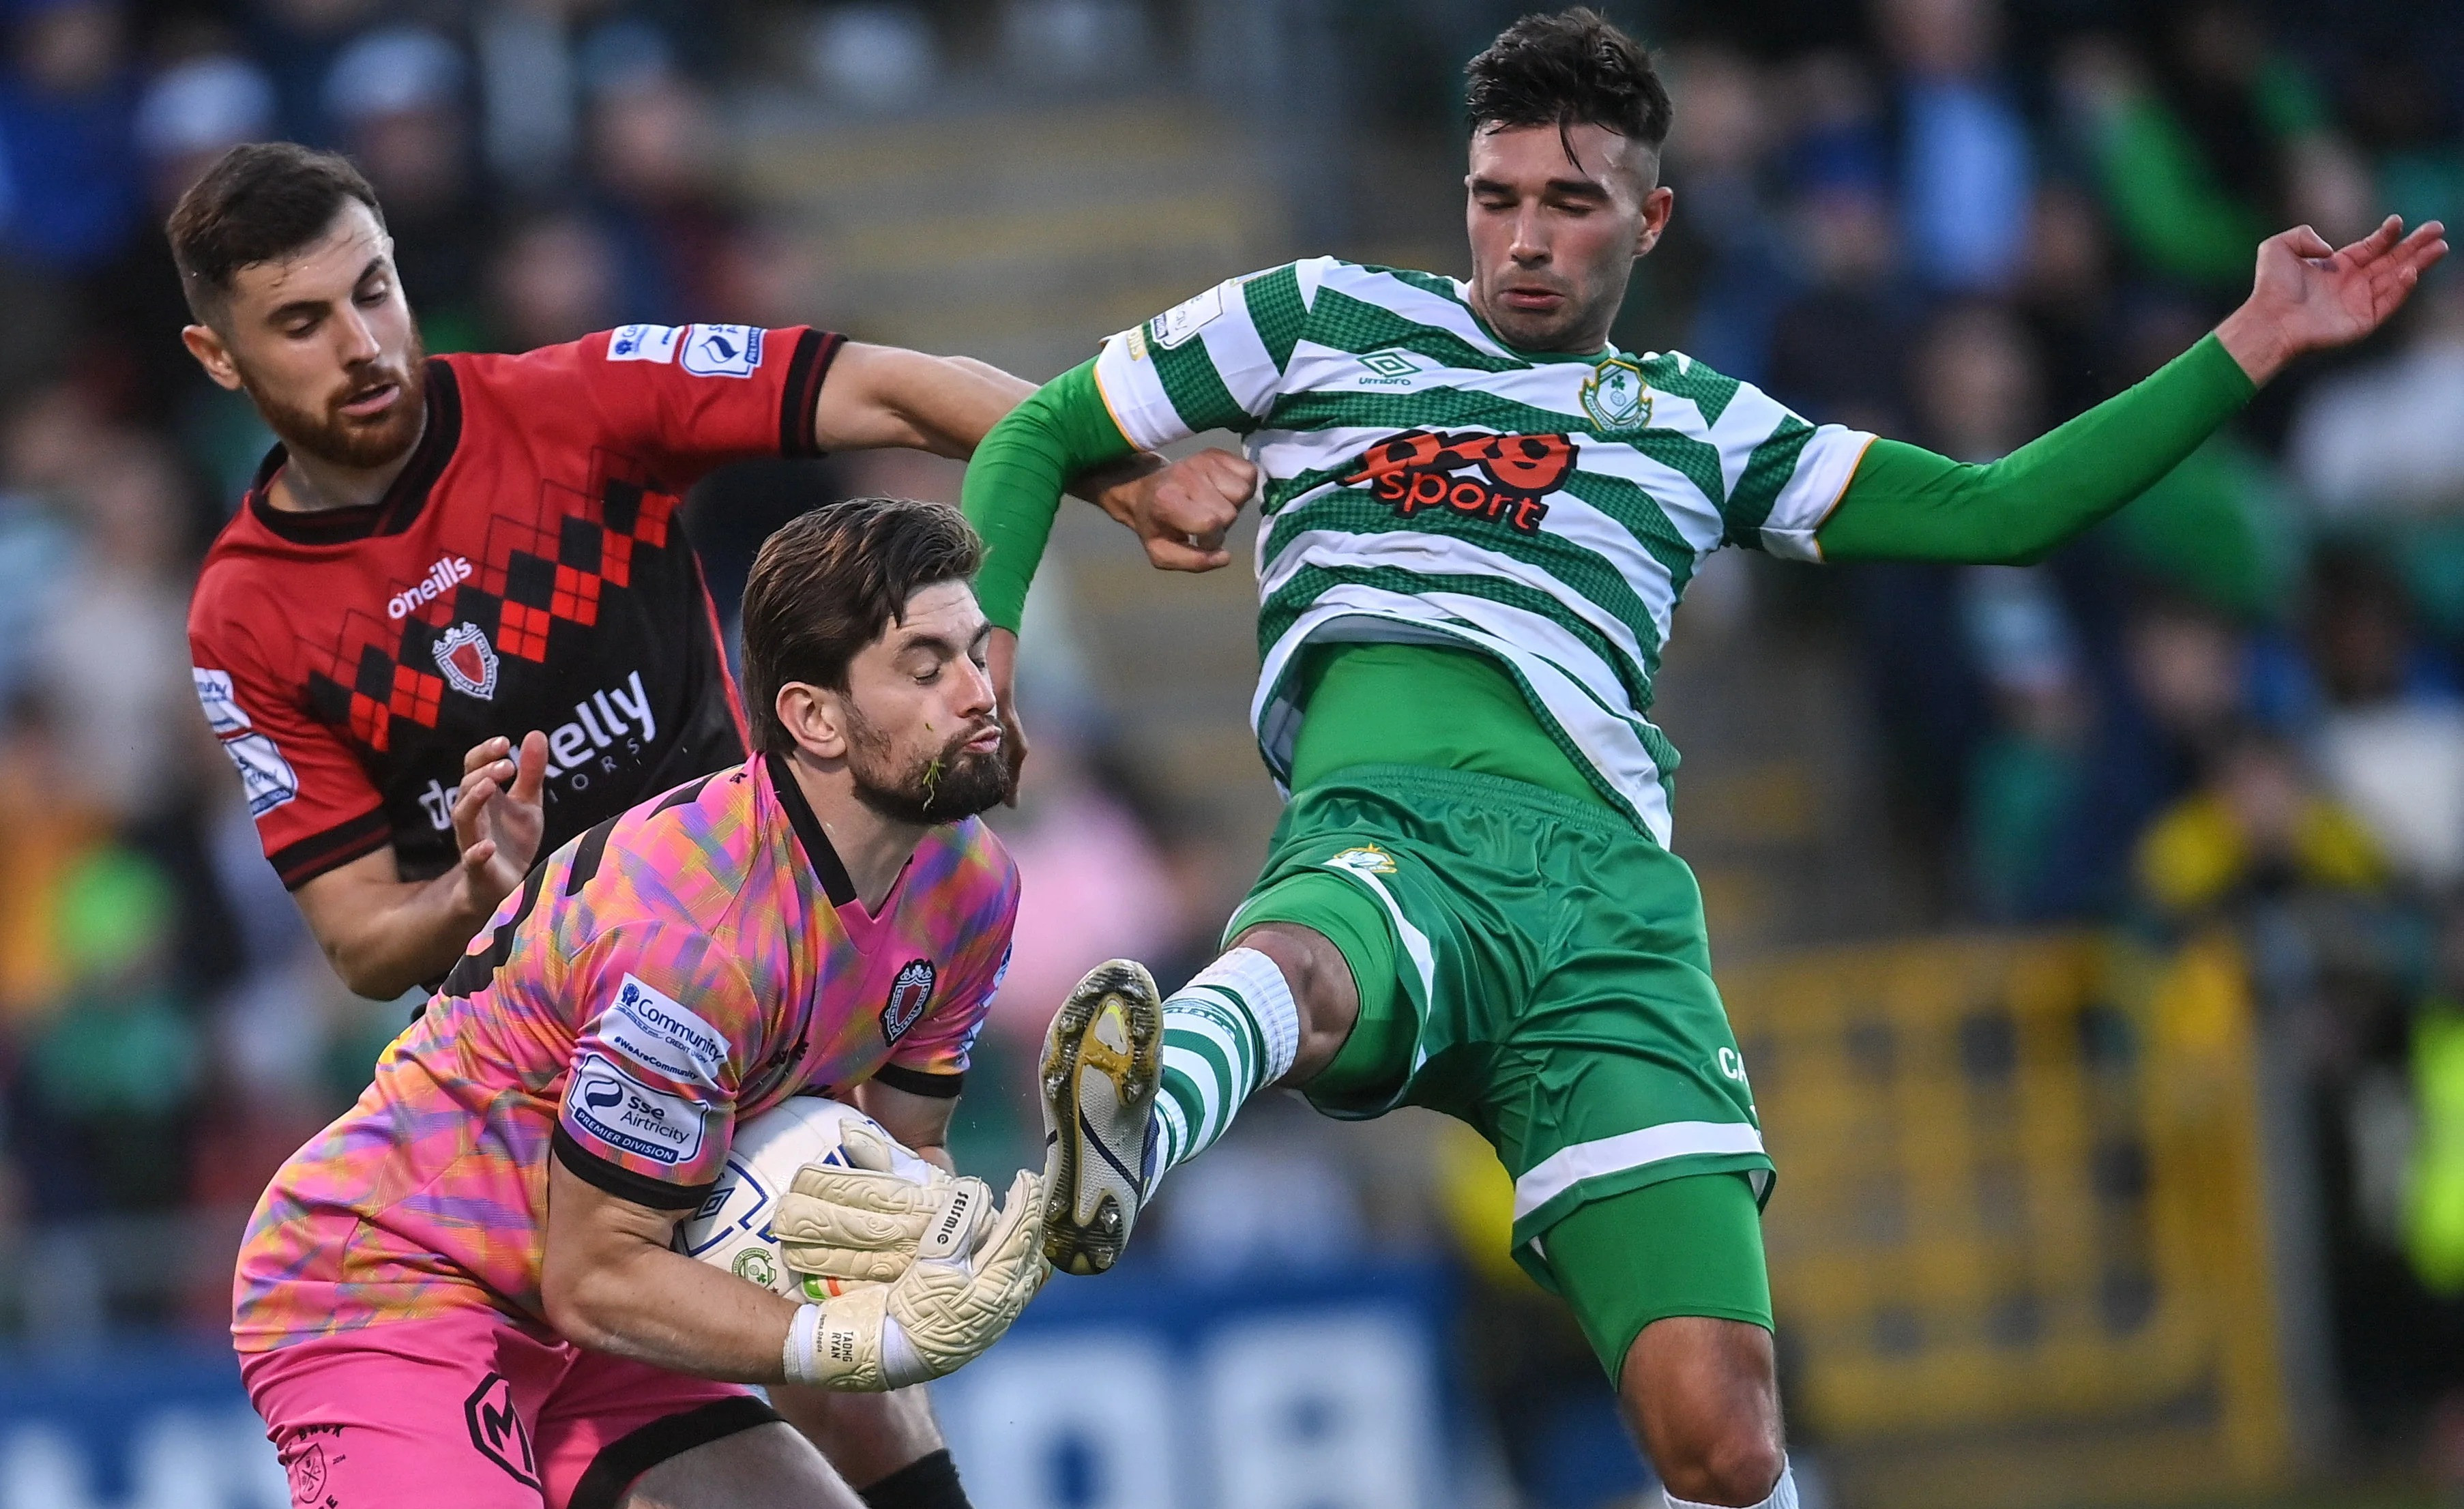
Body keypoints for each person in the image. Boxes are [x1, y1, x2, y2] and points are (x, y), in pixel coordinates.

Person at [949, 10, 2445, 1507]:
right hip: (1390, 826)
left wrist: (2249, 343)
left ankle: (1160, 1095)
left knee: (1722, 1442)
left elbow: (2002, 509)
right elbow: (1031, 437)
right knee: (1309, 955)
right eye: (1497, 196)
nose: (1524, 239)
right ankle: (1133, 1122)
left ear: (1651, 216)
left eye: (1571, 202)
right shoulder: (1318, 317)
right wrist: (991, 659)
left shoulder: (1698, 422)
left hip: (1608, 920)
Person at [173, 143, 1177, 1509]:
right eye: (302, 321)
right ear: (218, 358)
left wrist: (1116, 469)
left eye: (376, 290)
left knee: (824, 1216)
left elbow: (878, 383)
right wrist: (480, 886)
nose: (361, 343)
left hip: (648, 1144)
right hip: (421, 1247)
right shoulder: (248, 612)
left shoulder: (578, 401)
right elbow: (358, 938)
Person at [233, 498, 1047, 1509]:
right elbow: (598, 1277)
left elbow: (890, 1156)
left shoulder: (974, 889)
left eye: (978, 652)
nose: (981, 694)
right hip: (391, 1284)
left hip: (603, 1309)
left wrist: (943, 1236)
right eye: (927, 669)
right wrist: (855, 1334)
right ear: (814, 718)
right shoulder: (694, 945)